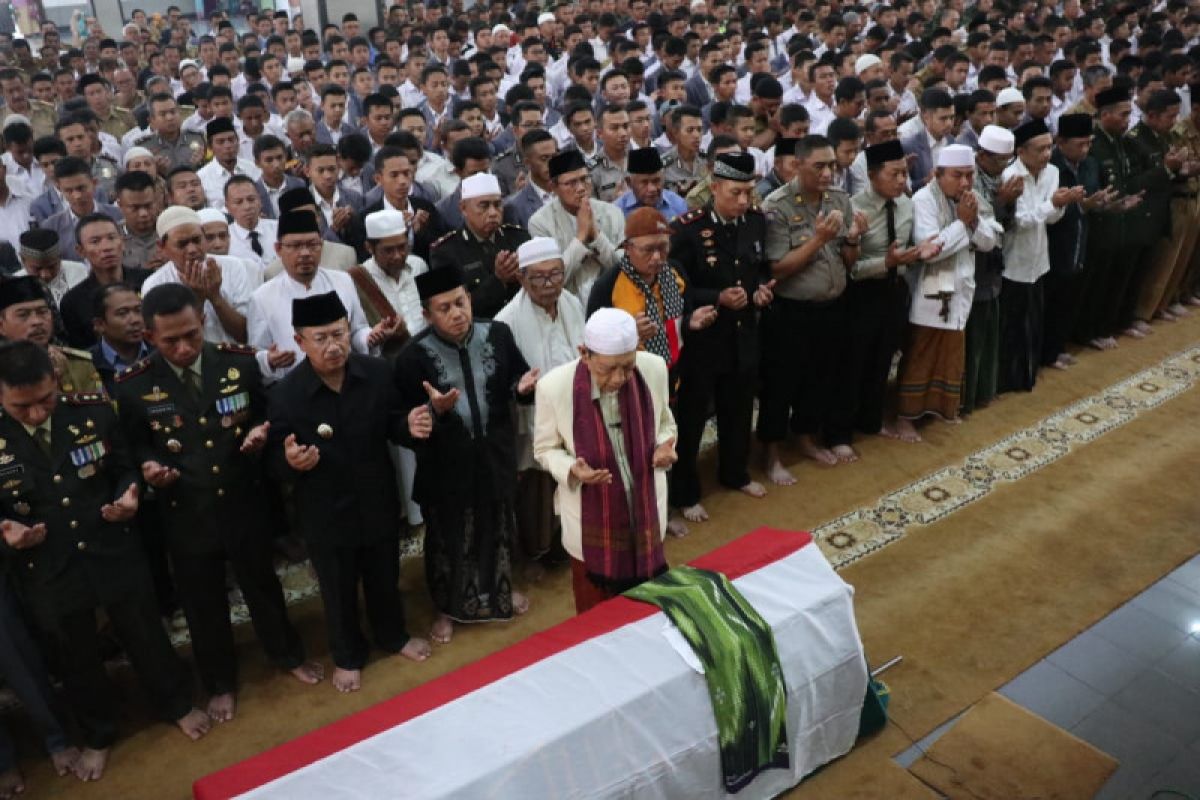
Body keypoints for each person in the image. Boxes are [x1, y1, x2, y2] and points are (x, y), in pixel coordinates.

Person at [0, 340, 211, 783]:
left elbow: (124, 468)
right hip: (47, 563)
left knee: (145, 632)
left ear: (57, 382)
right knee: (75, 656)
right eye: (23, 407)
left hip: (110, 545)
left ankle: (176, 703)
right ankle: (98, 733)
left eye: (46, 400)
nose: (38, 413)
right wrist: (7, 534)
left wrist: (129, 494)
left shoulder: (92, 411)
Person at [117, 283, 322, 719]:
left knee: (263, 587)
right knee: (202, 604)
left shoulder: (238, 364)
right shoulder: (133, 389)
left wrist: (260, 432)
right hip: (184, 512)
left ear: (202, 323)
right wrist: (150, 469)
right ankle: (219, 683)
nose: (184, 346)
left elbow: (268, 413)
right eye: (170, 340)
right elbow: (131, 449)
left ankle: (287, 655)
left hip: (243, 501)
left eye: (191, 334)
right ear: (149, 338)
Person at [268, 291, 431, 693]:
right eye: (320, 338)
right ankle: (347, 655)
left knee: (384, 576)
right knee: (337, 589)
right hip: (324, 510)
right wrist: (289, 461)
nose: (333, 346)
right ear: (299, 340)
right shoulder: (285, 394)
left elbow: (393, 423)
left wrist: (408, 426)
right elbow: (272, 459)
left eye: (339, 334)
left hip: (376, 496)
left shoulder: (376, 373)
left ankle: (392, 636)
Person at [396, 266, 540, 645]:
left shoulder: (498, 333)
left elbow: (518, 381)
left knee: (498, 526)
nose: (456, 313)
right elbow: (404, 424)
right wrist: (434, 412)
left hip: (494, 455)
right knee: (449, 540)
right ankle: (448, 608)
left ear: (470, 298)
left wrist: (523, 388)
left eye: (460, 302)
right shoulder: (412, 357)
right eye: (444, 308)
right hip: (445, 467)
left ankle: (500, 591)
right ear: (427, 315)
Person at [532, 307, 677, 613]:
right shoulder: (554, 387)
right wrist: (572, 469)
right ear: (584, 353)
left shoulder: (652, 369)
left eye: (627, 366)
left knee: (647, 608)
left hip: (645, 514)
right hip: (592, 524)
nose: (620, 378)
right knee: (595, 616)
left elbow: (666, 422)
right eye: (608, 369)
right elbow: (544, 449)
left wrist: (664, 445)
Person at [668, 152, 774, 523]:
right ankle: (685, 493)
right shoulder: (688, 230)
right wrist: (717, 298)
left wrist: (760, 290)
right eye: (735, 193)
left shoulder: (756, 222)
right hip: (703, 339)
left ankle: (735, 473)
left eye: (749, 192)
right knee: (693, 420)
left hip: (743, 334)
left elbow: (759, 270)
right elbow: (675, 289)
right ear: (714, 188)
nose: (744, 201)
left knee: (739, 410)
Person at [760, 134, 868, 477]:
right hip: (791, 311)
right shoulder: (777, 206)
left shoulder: (839, 199)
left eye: (832, 166)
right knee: (781, 383)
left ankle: (805, 436)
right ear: (798, 165)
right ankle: (771, 452)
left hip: (833, 305)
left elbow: (849, 259)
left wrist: (851, 239)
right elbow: (777, 268)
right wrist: (819, 239)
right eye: (819, 166)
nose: (827, 174)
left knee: (820, 378)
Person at [896, 144, 1000, 439]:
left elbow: (990, 241)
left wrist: (973, 221)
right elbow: (931, 249)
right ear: (938, 174)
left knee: (951, 354)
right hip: (930, 289)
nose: (965, 182)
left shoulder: (971, 198)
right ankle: (906, 416)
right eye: (958, 175)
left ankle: (941, 409)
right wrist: (963, 224)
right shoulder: (923, 200)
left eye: (969, 175)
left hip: (961, 287)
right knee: (922, 354)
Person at [495, 237, 586, 566]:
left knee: (575, 481)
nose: (550, 284)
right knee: (539, 491)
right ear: (521, 278)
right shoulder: (506, 322)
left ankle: (573, 540)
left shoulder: (572, 302)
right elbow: (503, 383)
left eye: (556, 274)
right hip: (536, 419)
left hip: (577, 410)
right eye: (539, 277)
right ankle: (541, 551)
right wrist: (520, 388)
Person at [847, 140, 941, 442]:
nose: (902, 180)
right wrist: (885, 263)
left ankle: (872, 420)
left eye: (904, 173)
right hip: (862, 294)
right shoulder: (854, 208)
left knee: (884, 358)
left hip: (895, 290)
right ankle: (844, 426)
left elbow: (909, 247)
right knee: (856, 361)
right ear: (873, 175)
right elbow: (850, 267)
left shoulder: (906, 204)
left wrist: (920, 251)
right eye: (894, 174)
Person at [248, 209, 400, 380]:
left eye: (312, 245)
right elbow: (256, 354)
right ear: (278, 249)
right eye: (296, 246)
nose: (305, 253)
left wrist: (370, 337)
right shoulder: (262, 298)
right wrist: (269, 360)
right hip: (296, 387)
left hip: (345, 378)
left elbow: (357, 329)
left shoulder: (342, 280)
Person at [998, 119, 1080, 394]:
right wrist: (1053, 204)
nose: (1047, 154)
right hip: (1013, 260)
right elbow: (1019, 220)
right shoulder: (1010, 176)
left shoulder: (1052, 172)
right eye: (1040, 149)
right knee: (1011, 325)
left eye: (1049, 147)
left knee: (1033, 321)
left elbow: (1053, 219)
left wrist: (1059, 205)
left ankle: (1028, 373)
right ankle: (1007, 379)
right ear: (1021, 152)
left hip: (1039, 257)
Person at [141, 206, 256, 344]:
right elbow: (174, 342)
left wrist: (215, 297)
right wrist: (197, 299)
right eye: (182, 244)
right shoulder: (155, 284)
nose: (192, 250)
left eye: (197, 240)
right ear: (162, 247)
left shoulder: (233, 267)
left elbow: (247, 334)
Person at [529, 149, 626, 307]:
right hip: (566, 305)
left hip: (612, 301)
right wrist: (581, 237)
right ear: (554, 187)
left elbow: (624, 269)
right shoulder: (540, 223)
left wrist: (596, 235)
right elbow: (552, 279)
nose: (581, 188)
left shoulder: (612, 213)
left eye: (584, 179)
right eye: (571, 183)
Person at [428, 172, 529, 319]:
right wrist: (498, 280)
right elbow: (454, 310)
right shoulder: (444, 251)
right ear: (463, 208)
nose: (493, 213)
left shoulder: (519, 237)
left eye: (497, 205)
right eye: (484, 206)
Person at [88, 283, 151, 394]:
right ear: (100, 324)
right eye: (123, 313)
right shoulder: (87, 364)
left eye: (138, 310)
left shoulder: (161, 352)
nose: (135, 320)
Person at [613, 146, 688, 219]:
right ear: (629, 182)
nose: (652, 189)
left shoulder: (677, 204)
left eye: (656, 181)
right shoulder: (616, 211)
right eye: (644, 183)